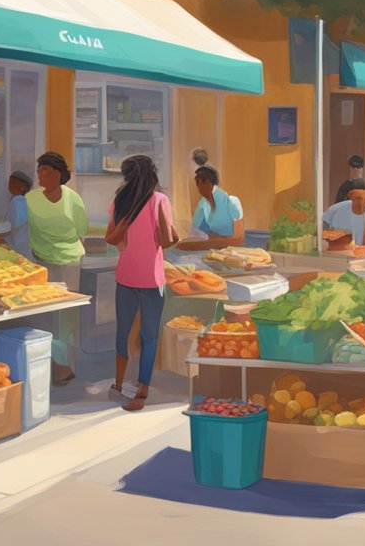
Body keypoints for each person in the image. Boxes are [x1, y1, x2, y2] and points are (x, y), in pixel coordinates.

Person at [104, 155, 178, 411]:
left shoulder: (119, 202)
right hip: (151, 279)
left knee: (122, 332)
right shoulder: (159, 200)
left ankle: (117, 383)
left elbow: (110, 239)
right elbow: (167, 241)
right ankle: (142, 390)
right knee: (149, 335)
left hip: (125, 276)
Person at [25, 152, 88, 386]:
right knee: (46, 318)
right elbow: (22, 228)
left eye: (47, 171)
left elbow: (81, 230)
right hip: (43, 263)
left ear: (59, 174)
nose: (42, 175)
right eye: (40, 171)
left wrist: (69, 251)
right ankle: (47, 366)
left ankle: (65, 367)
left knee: (67, 318)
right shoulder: (31, 199)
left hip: (70, 262)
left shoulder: (72, 198)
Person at [176, 166, 244, 251]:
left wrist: (208, 243)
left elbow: (238, 239)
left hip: (231, 252)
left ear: (212, 184)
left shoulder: (231, 202)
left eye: (204, 181)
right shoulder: (202, 207)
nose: (200, 186)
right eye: (197, 182)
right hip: (206, 253)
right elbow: (193, 235)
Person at [322, 181, 365, 247]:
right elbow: (322, 230)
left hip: (362, 250)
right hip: (339, 251)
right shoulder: (335, 210)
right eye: (357, 199)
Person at [0, 171, 33, 259]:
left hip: (18, 249)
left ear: (23, 187)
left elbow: (13, 225)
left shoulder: (17, 201)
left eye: (14, 183)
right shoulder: (24, 200)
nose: (10, 185)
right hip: (24, 248)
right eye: (10, 182)